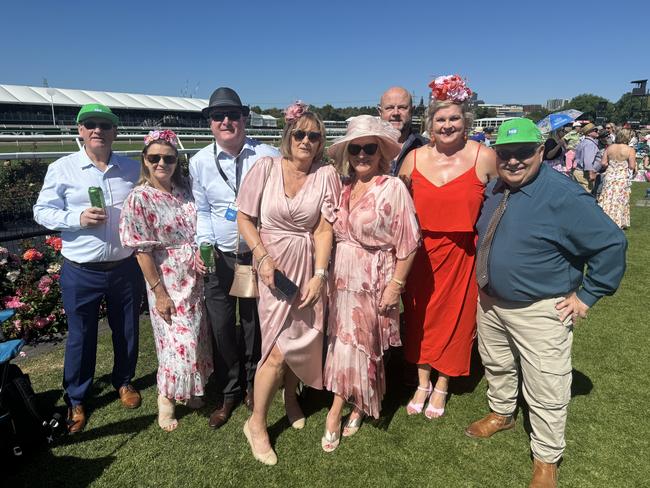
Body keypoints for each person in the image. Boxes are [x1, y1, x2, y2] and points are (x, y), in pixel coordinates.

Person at [466, 118, 627, 488]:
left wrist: (587, 295)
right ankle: (502, 412)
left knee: (546, 385)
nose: (514, 161)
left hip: (540, 308)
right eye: (505, 154)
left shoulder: (563, 194)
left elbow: (611, 244)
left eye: (524, 152)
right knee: (496, 363)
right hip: (492, 302)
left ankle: (546, 457)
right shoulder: (495, 187)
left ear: (540, 152)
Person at [236, 101, 340, 465]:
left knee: (301, 340)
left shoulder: (326, 175)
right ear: (288, 136)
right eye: (300, 133)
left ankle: (292, 397)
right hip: (272, 267)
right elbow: (245, 218)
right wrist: (262, 257)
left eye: (315, 135)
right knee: (276, 349)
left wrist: (320, 274)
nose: (306, 140)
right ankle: (257, 423)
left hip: (307, 267)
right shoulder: (265, 168)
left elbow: (324, 229)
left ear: (321, 142)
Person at [33, 103, 144, 433]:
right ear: (79, 130)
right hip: (81, 268)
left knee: (127, 329)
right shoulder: (63, 168)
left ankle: (123, 381)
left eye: (105, 125)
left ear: (115, 132)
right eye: (90, 124)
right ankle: (77, 399)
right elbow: (41, 211)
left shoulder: (131, 168)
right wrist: (75, 219)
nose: (98, 129)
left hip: (124, 266)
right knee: (81, 336)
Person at [399, 75, 497, 419]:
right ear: (430, 123)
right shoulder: (411, 159)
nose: (447, 125)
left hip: (463, 255)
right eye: (440, 119)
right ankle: (422, 381)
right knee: (419, 317)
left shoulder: (484, 157)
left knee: (456, 321)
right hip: (420, 255)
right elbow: (395, 206)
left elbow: (503, 203)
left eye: (454, 118)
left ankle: (442, 384)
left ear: (466, 120)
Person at [321, 116, 420, 452]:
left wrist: (395, 286)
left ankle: (340, 409)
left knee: (362, 347)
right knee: (343, 345)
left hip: (374, 280)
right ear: (348, 153)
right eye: (356, 148)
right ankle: (351, 404)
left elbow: (409, 243)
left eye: (369, 148)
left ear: (381, 154)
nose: (362, 154)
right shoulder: (343, 186)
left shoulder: (393, 187)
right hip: (343, 279)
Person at [189, 87, 279, 429]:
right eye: (217, 116)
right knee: (223, 327)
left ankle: (255, 384)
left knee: (256, 324)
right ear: (210, 123)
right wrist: (204, 245)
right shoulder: (199, 162)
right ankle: (229, 391)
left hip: (258, 256)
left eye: (232, 115)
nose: (226, 121)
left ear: (244, 118)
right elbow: (201, 210)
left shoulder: (266, 154)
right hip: (221, 258)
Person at [119, 130, 213, 431]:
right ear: (144, 160)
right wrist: (159, 291)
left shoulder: (185, 189)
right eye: (155, 157)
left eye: (169, 158)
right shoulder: (139, 198)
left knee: (196, 336)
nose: (162, 163)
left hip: (194, 277)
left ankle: (192, 390)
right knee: (176, 341)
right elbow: (141, 251)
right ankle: (166, 398)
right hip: (166, 278)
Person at [378, 86, 428, 176]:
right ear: (380, 112)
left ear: (412, 111)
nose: (396, 113)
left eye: (402, 108)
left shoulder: (426, 147)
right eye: (389, 108)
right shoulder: (365, 148)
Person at [597, 128, 637, 228]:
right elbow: (632, 166)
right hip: (622, 177)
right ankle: (618, 221)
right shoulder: (630, 150)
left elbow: (603, 163)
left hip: (610, 175)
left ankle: (604, 220)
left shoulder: (610, 148)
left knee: (607, 198)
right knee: (620, 200)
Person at [573, 123, 600, 191]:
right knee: (586, 195)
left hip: (579, 172)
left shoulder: (584, 142)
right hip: (584, 174)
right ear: (588, 133)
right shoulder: (589, 144)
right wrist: (591, 173)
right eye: (595, 130)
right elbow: (588, 160)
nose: (598, 131)